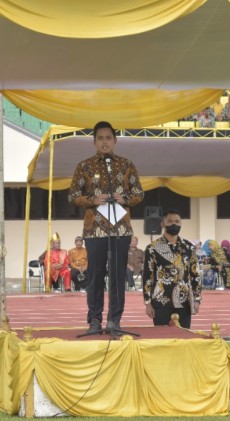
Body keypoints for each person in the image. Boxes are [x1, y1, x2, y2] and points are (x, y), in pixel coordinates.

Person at [68, 120, 144, 334]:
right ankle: (94, 320)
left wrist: (124, 198)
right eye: (100, 138)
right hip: (94, 231)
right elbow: (73, 195)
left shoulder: (127, 165)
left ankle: (114, 321)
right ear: (94, 142)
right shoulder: (84, 166)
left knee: (118, 276)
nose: (104, 142)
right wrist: (92, 199)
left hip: (121, 230)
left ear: (115, 140)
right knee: (95, 275)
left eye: (108, 138)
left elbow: (139, 194)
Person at [142, 209, 201, 328]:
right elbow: (148, 276)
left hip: (184, 301)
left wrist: (197, 299)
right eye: (170, 221)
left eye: (177, 221)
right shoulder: (152, 248)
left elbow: (195, 274)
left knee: (183, 338)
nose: (174, 224)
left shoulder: (189, 247)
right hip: (161, 301)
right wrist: (148, 303)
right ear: (162, 224)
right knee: (162, 339)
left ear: (181, 223)